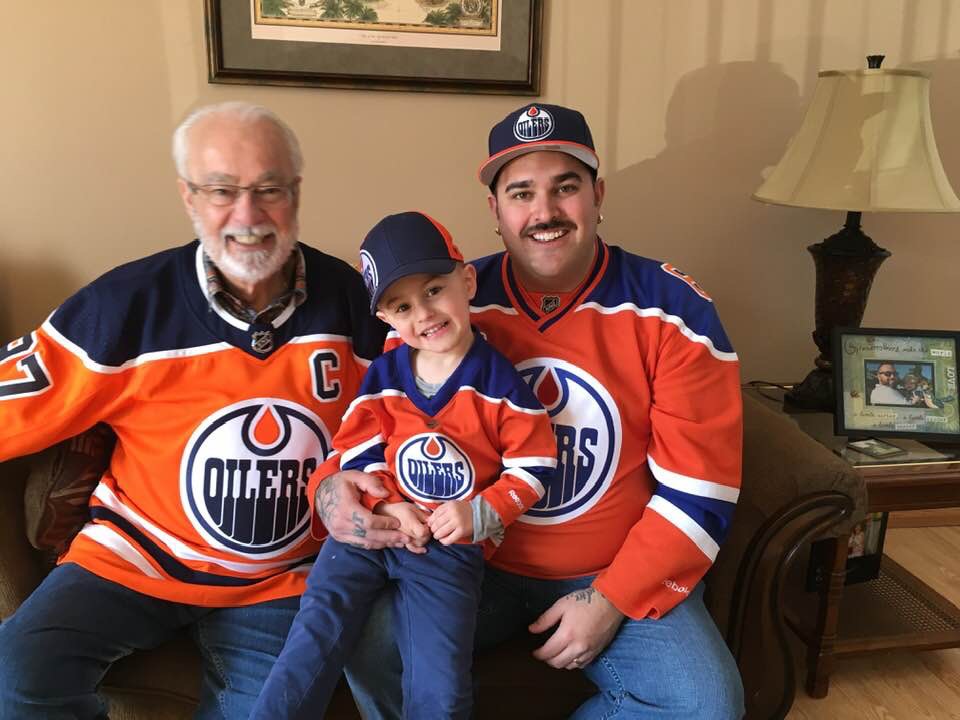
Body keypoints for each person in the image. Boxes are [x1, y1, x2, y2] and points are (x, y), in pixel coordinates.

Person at [318, 103, 745, 719]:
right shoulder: (435, 304)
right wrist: (349, 493)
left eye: (565, 188)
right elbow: (366, 441)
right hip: (460, 560)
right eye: (521, 193)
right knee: (370, 640)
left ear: (597, 195)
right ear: (495, 211)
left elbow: (701, 490)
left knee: (705, 706)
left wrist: (611, 600)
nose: (544, 213)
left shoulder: (676, 313)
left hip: (608, 565)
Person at [0, 101, 394, 719]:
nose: (248, 215)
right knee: (16, 673)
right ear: (188, 197)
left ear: (295, 193)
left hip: (281, 580)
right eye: (221, 190)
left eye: (269, 189)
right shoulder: (122, 306)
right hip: (131, 557)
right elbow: (14, 399)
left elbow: (418, 417)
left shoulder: (355, 303)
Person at [250, 211, 559, 719]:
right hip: (373, 533)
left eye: (435, 290)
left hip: (447, 547)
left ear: (466, 280)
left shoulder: (501, 385)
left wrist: (478, 513)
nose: (424, 314)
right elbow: (358, 446)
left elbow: (534, 466)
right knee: (313, 634)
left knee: (438, 680)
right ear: (386, 319)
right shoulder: (387, 373)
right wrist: (385, 501)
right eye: (402, 305)